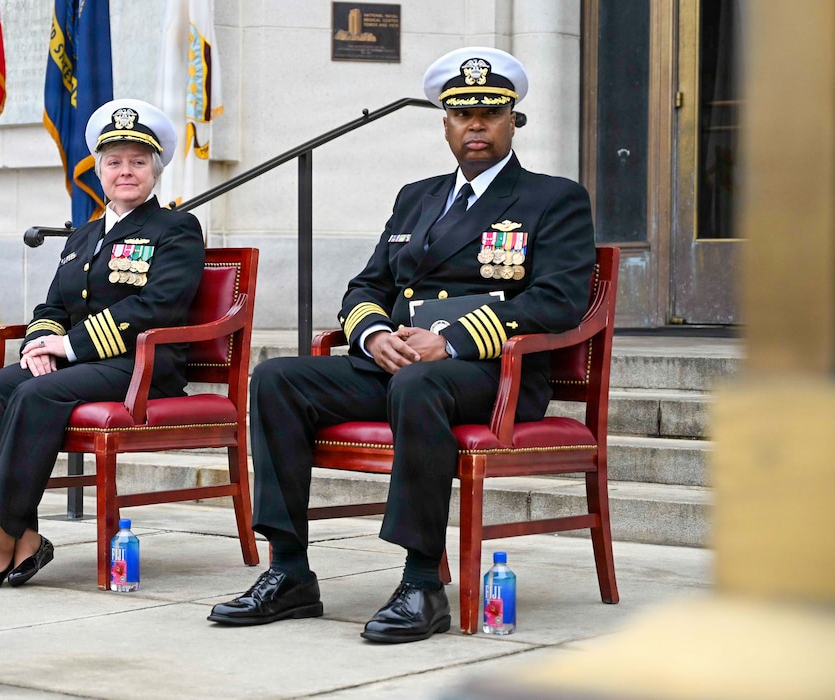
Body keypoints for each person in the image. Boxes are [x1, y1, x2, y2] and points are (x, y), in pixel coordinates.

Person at [207, 47, 596, 642]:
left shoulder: (553, 198)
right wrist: (372, 332)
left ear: (513, 121)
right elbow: (368, 285)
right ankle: (288, 572)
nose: (475, 125)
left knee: (418, 382)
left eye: (490, 114)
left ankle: (421, 583)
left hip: (492, 376)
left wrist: (451, 339)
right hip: (401, 365)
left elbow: (559, 302)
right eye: (462, 114)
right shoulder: (417, 195)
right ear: (444, 124)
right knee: (278, 378)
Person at [0, 99, 205, 591]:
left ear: (155, 171)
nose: (126, 171)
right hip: (83, 363)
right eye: (114, 162)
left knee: (34, 394)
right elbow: (52, 306)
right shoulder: (84, 235)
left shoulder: (175, 228)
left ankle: (3, 537)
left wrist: (66, 348)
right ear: (99, 171)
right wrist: (39, 344)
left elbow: (156, 307)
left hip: (142, 366)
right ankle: (26, 535)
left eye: (138, 161)